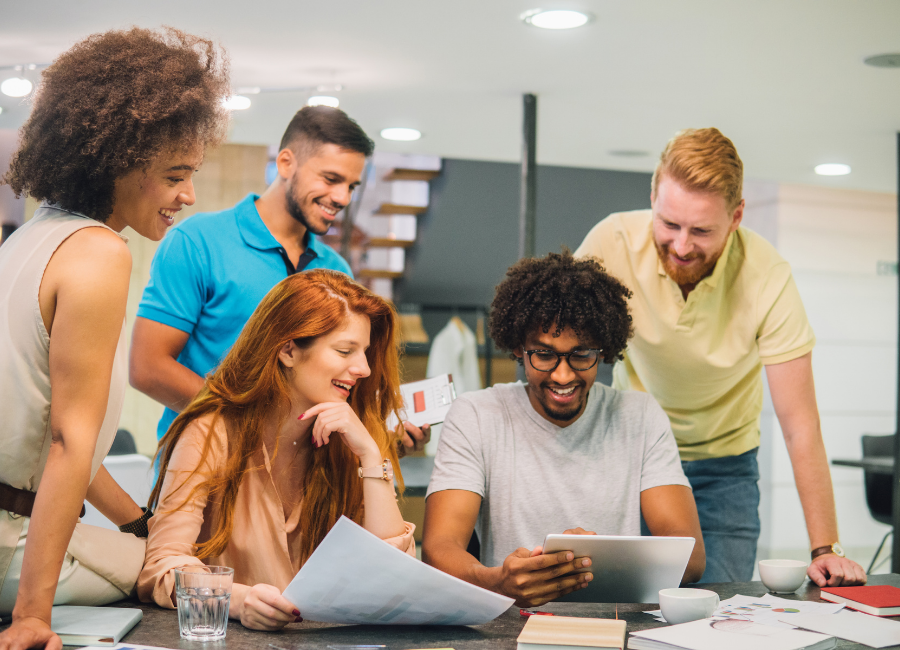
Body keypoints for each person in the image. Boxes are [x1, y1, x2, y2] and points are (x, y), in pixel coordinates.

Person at [0, 27, 230, 650]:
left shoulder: (26, 239)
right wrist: (31, 619)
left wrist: (137, 522)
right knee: (201, 578)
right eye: (175, 175)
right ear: (116, 160)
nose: (187, 196)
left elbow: (59, 432)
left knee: (157, 545)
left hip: (13, 526)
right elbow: (70, 440)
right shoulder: (99, 252)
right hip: (13, 552)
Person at [574, 128, 867, 586]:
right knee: (622, 607)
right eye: (669, 224)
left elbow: (799, 423)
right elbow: (560, 354)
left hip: (725, 466)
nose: (683, 245)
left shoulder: (767, 275)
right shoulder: (610, 243)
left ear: (736, 217)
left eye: (702, 230)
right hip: (633, 455)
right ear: (653, 196)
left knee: (723, 615)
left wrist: (825, 547)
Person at [129, 106, 430, 455]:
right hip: (202, 472)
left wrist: (376, 432)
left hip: (298, 487)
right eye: (331, 179)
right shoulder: (198, 241)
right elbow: (148, 367)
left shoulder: (337, 271)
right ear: (286, 163)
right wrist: (252, 425)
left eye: (352, 186)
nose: (343, 198)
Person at [422, 251, 705, 607]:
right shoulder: (477, 415)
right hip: (514, 621)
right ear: (518, 349)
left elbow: (690, 557)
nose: (563, 375)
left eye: (581, 354)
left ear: (603, 350)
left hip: (615, 622)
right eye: (544, 354)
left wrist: (589, 559)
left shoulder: (640, 416)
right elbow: (438, 550)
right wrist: (498, 582)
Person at [138, 270, 415, 631]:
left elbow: (394, 575)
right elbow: (163, 565)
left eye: (364, 352)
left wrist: (370, 455)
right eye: (345, 350)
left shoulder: (350, 439)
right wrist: (236, 599)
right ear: (287, 350)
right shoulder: (211, 431)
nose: (363, 368)